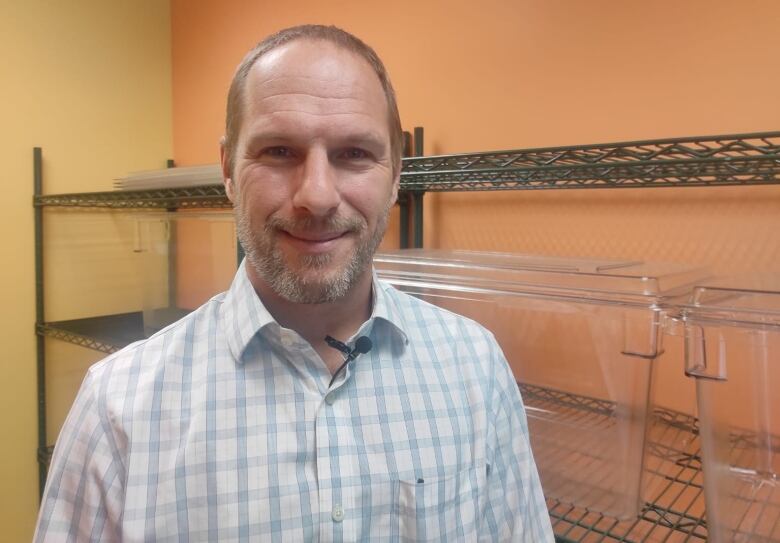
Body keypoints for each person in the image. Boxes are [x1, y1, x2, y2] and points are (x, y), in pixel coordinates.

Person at [35, 25, 553, 541]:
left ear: (396, 174)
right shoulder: (118, 409)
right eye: (280, 151)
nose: (318, 196)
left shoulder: (475, 371)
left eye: (354, 153)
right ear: (228, 170)